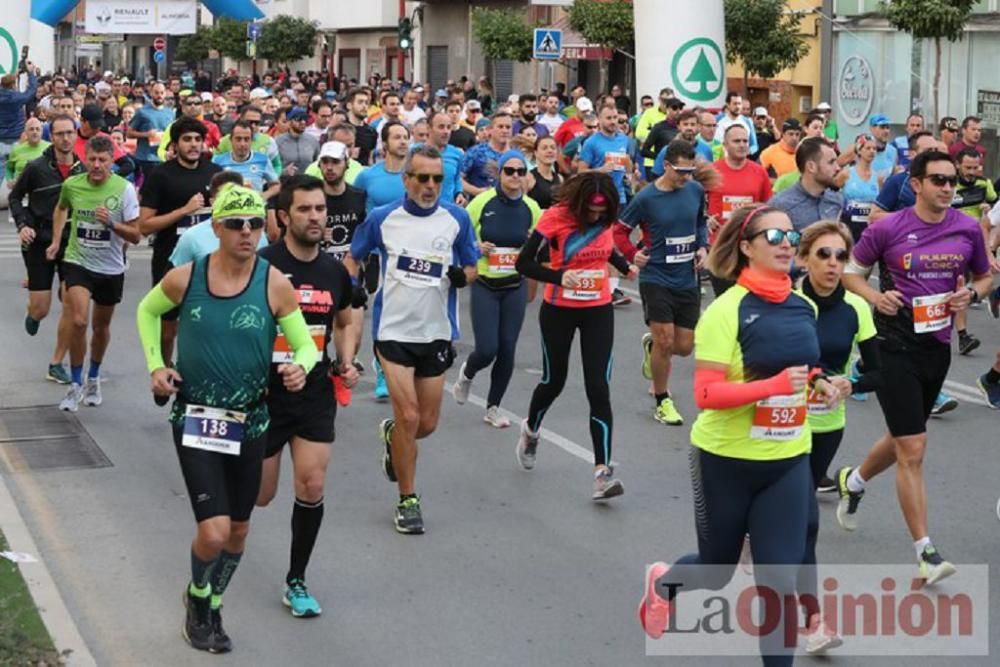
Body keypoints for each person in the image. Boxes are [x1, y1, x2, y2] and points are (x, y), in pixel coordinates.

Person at [638, 205, 840, 666]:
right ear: (747, 247)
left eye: (792, 235)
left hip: (787, 458)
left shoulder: (803, 305)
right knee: (715, 572)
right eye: (774, 236)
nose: (786, 243)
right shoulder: (726, 312)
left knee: (778, 582)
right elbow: (707, 393)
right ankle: (665, 584)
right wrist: (772, 387)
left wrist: (821, 384)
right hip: (724, 460)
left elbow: (803, 369)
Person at [135, 184, 317, 653]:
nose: (247, 232)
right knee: (213, 531)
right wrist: (157, 364)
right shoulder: (187, 277)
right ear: (216, 228)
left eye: (256, 224)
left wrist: (301, 366)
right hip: (196, 417)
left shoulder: (273, 282)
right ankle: (197, 597)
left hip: (250, 420)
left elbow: (305, 344)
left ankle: (214, 600)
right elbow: (147, 311)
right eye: (236, 224)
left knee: (238, 530)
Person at [838, 150, 991, 585]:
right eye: (939, 180)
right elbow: (852, 273)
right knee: (914, 447)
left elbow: (984, 277)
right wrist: (875, 298)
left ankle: (856, 480)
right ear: (917, 184)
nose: (947, 188)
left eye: (952, 181)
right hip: (891, 344)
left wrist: (973, 297)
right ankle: (926, 552)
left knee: (906, 436)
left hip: (936, 347)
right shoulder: (888, 227)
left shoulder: (966, 228)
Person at [346, 144, 479, 534]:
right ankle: (407, 499)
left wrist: (463, 277)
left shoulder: (456, 219)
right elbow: (354, 257)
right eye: (422, 178)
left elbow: (471, 266)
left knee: (426, 424)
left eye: (438, 178)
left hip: (436, 331)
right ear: (406, 180)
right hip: (393, 331)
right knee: (408, 415)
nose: (430, 185)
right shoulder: (383, 218)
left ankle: (394, 436)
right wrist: (352, 284)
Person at [255, 175, 358, 618]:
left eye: (320, 209)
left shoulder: (335, 270)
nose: (316, 217)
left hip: (314, 392)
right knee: (260, 495)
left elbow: (347, 320)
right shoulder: (262, 266)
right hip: (263, 395)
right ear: (284, 216)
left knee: (312, 484)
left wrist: (346, 362)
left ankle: (296, 579)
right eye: (305, 210)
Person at [514, 172, 637, 499]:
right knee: (554, 380)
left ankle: (602, 472)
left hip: (598, 308)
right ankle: (531, 430)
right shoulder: (554, 218)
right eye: (591, 213)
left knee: (598, 386)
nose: (597, 217)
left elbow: (606, 247)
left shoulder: (606, 217)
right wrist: (557, 276)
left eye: (603, 213)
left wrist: (626, 267)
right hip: (559, 309)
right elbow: (523, 263)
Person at [46, 135, 142, 411]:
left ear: (112, 162)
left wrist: (112, 223)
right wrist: (55, 241)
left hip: (111, 268)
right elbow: (61, 208)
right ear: (84, 159)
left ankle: (94, 376)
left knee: (100, 328)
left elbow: (136, 235)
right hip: (78, 262)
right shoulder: (72, 185)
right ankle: (75, 385)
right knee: (78, 321)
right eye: (92, 160)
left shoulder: (123, 189)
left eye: (103, 160)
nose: (97, 165)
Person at [616, 140, 706, 425]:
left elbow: (700, 222)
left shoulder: (696, 190)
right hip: (656, 277)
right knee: (665, 341)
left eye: (690, 170)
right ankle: (662, 399)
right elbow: (619, 232)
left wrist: (702, 246)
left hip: (687, 279)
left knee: (683, 347)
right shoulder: (646, 198)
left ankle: (652, 347)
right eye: (680, 170)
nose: (686, 177)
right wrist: (633, 255)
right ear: (666, 166)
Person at [452, 150, 540, 426]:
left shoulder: (532, 208)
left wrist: (529, 248)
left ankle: (493, 407)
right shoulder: (482, 203)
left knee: (508, 348)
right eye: (509, 171)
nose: (515, 176)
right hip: (485, 283)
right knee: (488, 348)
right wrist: (477, 247)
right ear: (499, 174)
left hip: (514, 284)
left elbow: (538, 249)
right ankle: (468, 373)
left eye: (520, 171)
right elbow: (460, 236)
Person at [139, 117, 223, 378]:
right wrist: (183, 211)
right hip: (171, 259)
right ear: (175, 145)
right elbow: (144, 226)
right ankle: (164, 370)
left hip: (209, 262)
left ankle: (204, 371)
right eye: (187, 139)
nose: (194, 144)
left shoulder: (214, 173)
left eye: (198, 139)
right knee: (168, 328)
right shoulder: (161, 175)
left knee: (207, 323)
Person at [10, 114, 81, 384]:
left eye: (69, 133)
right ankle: (33, 313)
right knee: (42, 308)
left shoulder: (83, 169)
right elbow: (16, 198)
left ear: (75, 135)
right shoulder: (36, 167)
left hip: (70, 243)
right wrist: (22, 226)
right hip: (39, 239)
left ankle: (56, 363)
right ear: (53, 136)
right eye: (60, 133)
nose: (65, 138)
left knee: (71, 303)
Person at [768, 138, 843, 231]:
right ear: (811, 167)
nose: (838, 168)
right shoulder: (781, 205)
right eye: (831, 162)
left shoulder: (837, 199)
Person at [212, 120, 280, 195]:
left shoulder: (263, 160)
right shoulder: (218, 161)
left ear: (251, 141)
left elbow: (276, 185)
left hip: (255, 206)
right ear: (231, 140)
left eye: (246, 139)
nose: (243, 144)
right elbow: (211, 188)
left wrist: (263, 197)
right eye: (238, 139)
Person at [840, 133, 883, 242]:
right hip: (849, 225)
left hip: (869, 227)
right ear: (859, 150)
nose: (872, 151)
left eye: (874, 148)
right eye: (868, 148)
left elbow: (880, 204)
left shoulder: (878, 177)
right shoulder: (846, 174)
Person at [127, 82, 174, 180]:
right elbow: (129, 133)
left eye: (161, 93)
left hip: (164, 157)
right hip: (146, 158)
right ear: (151, 93)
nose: (159, 96)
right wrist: (146, 134)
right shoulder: (142, 112)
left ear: (165, 94)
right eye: (156, 93)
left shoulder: (170, 113)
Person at [0, 64, 39, 179]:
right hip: (16, 137)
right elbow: (31, 91)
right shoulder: (17, 98)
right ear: (13, 85)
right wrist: (31, 73)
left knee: (1, 168)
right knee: (17, 166)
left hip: (0, 137)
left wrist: (14, 76)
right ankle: (14, 192)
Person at [461, 111, 512, 197]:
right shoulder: (476, 152)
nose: (504, 130)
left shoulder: (515, 155)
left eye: (508, 127)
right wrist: (477, 191)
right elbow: (458, 179)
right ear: (490, 129)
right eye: (500, 127)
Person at [426, 111, 465, 204]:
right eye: (441, 127)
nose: (446, 132)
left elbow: (456, 178)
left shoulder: (457, 154)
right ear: (429, 128)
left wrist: (459, 193)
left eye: (448, 127)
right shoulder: (414, 152)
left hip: (447, 211)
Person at [4, 117, 49, 187]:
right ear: (26, 132)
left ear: (42, 132)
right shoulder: (16, 149)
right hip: (20, 189)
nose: (35, 132)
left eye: (37, 129)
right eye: (31, 129)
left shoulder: (50, 148)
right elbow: (8, 169)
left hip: (42, 189)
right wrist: (9, 180)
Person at [274, 107, 320, 175]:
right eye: (298, 119)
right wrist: (285, 172)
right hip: (287, 182)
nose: (303, 122)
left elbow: (318, 165)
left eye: (305, 119)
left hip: (308, 182)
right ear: (289, 121)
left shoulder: (313, 141)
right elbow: (271, 169)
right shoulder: (278, 142)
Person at [715, 91, 758, 156]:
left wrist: (746, 152)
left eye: (739, 103)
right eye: (735, 104)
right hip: (720, 161)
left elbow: (755, 146)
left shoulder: (747, 122)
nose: (737, 107)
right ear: (728, 105)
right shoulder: (717, 119)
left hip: (740, 161)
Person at [526, 135, 563, 210]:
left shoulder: (560, 178)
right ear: (536, 153)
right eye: (544, 148)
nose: (549, 151)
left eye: (553, 148)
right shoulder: (529, 178)